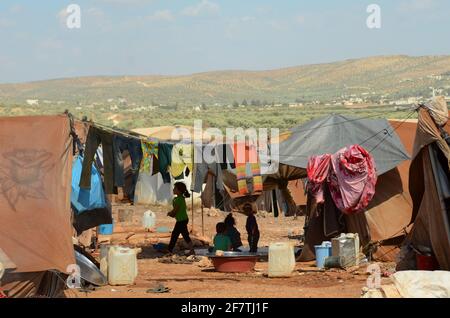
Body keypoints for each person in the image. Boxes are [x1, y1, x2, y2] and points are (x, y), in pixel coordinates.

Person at [167, 182, 194, 255]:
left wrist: (170, 214)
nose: (173, 189)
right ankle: (191, 250)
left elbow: (175, 211)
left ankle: (169, 250)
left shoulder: (178, 200)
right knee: (181, 235)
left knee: (176, 235)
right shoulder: (179, 198)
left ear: (179, 191)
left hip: (181, 221)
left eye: (175, 188)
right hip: (182, 220)